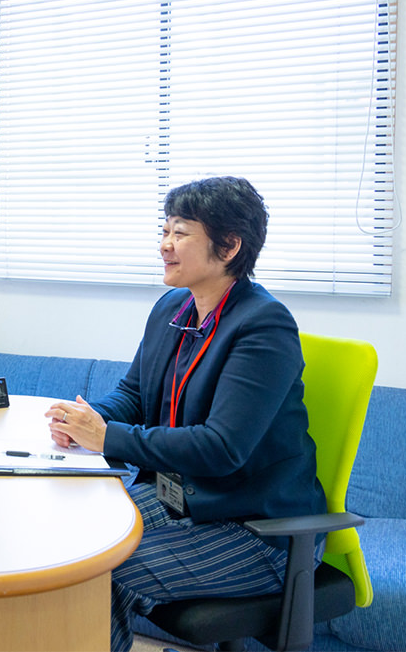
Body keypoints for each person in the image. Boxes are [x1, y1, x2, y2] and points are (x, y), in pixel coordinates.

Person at [44, 176, 325, 652]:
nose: (164, 246)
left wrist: (107, 437)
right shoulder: (172, 308)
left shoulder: (264, 327)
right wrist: (84, 421)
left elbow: (220, 449)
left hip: (256, 527)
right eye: (165, 229)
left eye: (180, 233)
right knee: (62, 535)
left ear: (229, 245)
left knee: (98, 568)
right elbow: (134, 393)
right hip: (185, 500)